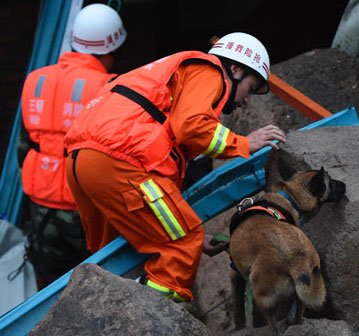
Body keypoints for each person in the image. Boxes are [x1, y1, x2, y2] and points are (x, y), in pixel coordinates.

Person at [63, 32, 286, 302]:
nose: (246, 100)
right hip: (119, 161)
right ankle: (148, 323)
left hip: (83, 162)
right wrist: (243, 143)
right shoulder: (210, 71)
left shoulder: (172, 77)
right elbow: (190, 127)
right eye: (250, 88)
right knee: (183, 244)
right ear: (235, 69)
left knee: (115, 256)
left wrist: (175, 225)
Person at [18, 3, 127, 287]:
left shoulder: (36, 79)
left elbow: (23, 146)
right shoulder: (109, 87)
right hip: (83, 206)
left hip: (39, 200)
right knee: (94, 281)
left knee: (50, 282)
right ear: (112, 48)